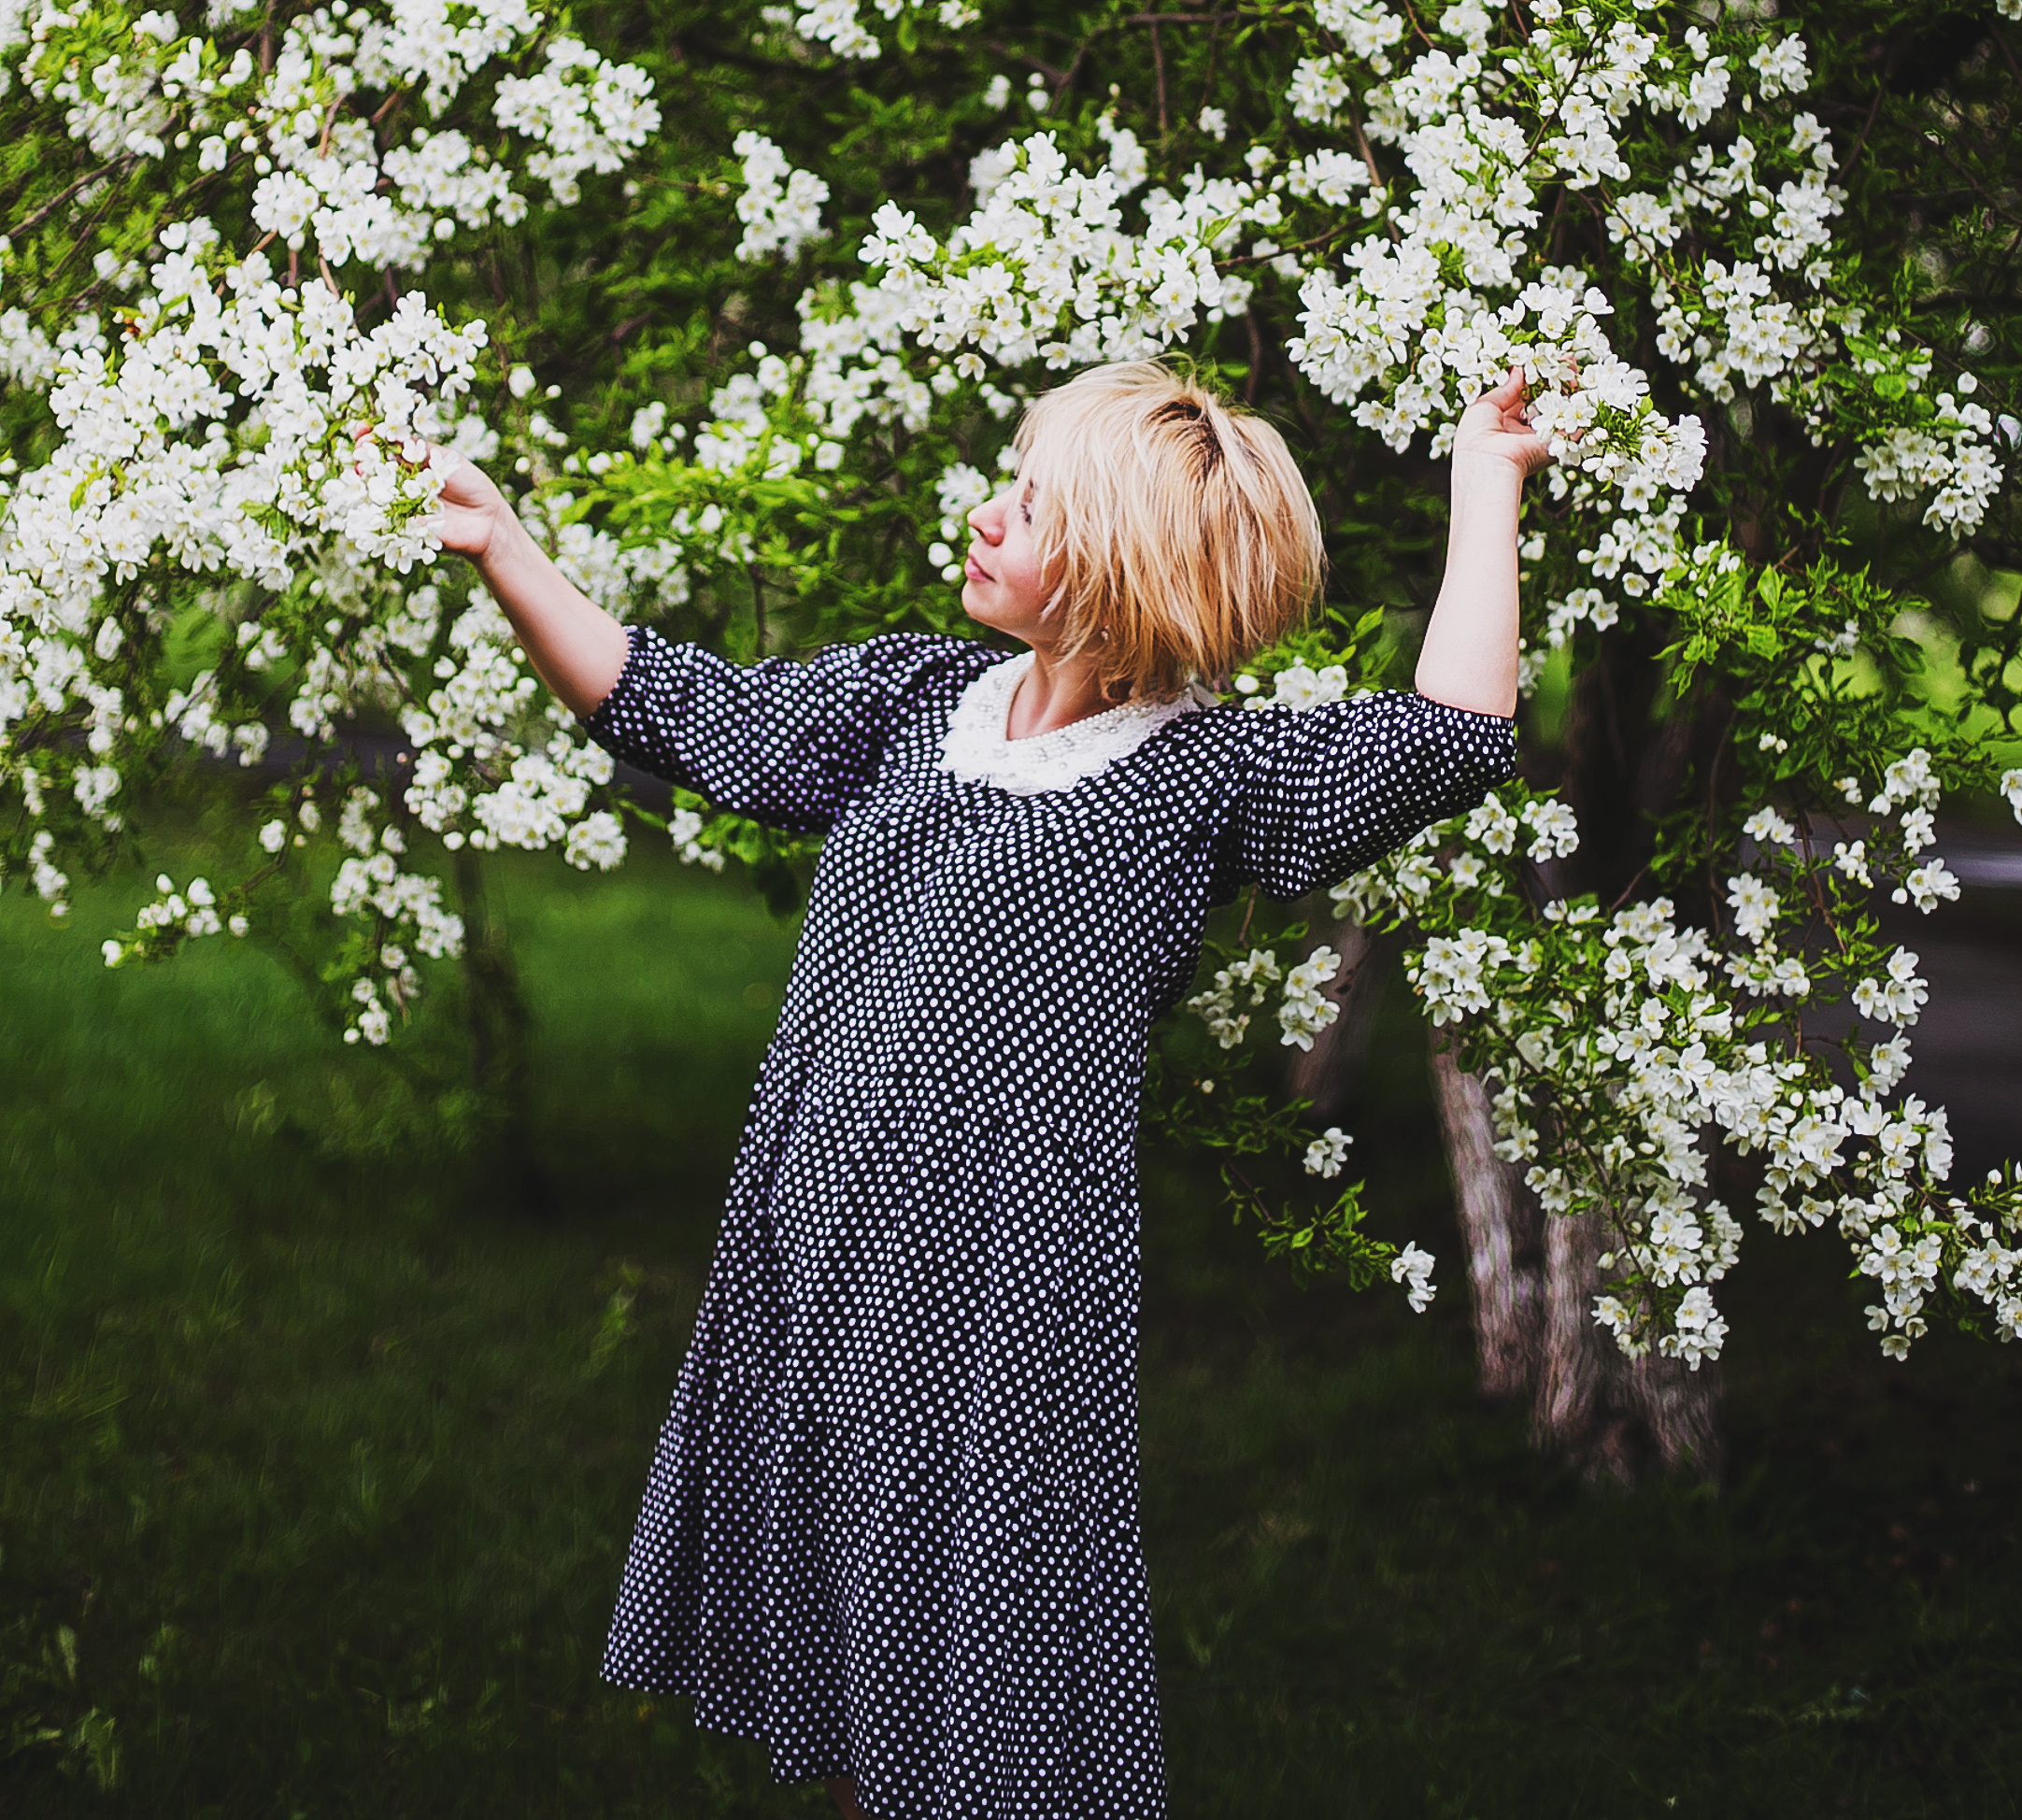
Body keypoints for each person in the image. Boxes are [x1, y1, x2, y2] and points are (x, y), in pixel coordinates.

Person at [435, 355, 1547, 1820]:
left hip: (995, 1285)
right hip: (817, 1236)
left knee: (964, 1630)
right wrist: (504, 547)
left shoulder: (1198, 775)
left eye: (1029, 506)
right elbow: (678, 709)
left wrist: (1484, 480)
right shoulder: (916, 699)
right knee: (845, 1615)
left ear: (1121, 568)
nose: (985, 515)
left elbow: (1452, 738)